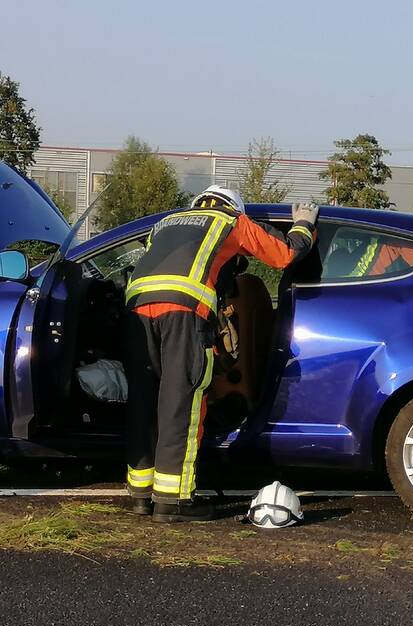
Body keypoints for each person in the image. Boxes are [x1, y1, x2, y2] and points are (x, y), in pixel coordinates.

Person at [124, 185, 317, 522]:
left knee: (146, 398)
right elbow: (283, 253)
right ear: (233, 206)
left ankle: (141, 494)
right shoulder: (230, 221)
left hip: (137, 307)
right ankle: (174, 501)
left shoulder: (167, 224)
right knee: (180, 400)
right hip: (184, 310)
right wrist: (303, 225)